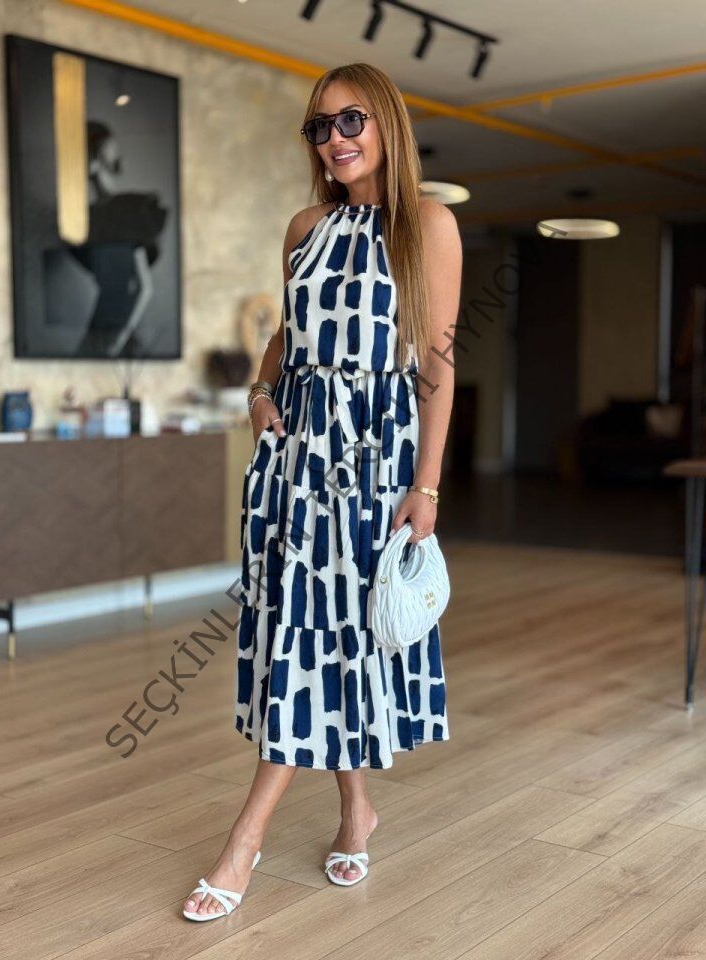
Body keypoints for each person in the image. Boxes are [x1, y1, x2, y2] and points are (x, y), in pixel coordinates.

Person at [183, 61, 462, 920]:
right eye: (319, 126)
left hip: (374, 466)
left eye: (350, 121)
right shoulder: (305, 227)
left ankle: (244, 841)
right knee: (310, 635)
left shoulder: (428, 225)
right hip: (295, 465)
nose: (334, 139)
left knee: (332, 633)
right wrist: (258, 396)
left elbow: (437, 364)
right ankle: (356, 811)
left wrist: (427, 486)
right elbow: (285, 338)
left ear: (386, 125)